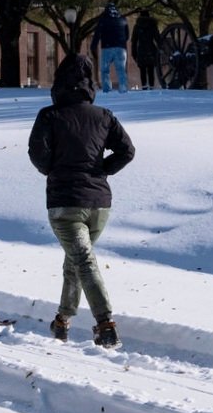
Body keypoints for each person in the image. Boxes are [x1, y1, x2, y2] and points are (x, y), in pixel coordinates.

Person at [27, 53, 135, 348]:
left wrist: (52, 170)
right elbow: (127, 151)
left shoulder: (49, 116)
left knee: (83, 262)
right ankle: (62, 321)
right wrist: (101, 170)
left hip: (65, 206)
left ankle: (105, 324)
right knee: (76, 261)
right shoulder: (104, 116)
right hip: (100, 205)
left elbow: (37, 153)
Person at [94, 1, 130, 92]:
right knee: (121, 69)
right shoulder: (123, 19)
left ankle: (107, 89)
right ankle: (123, 87)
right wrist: (121, 42)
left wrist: (93, 46)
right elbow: (127, 35)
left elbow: (97, 34)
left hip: (107, 47)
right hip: (121, 48)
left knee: (104, 70)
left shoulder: (103, 20)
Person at [130, 8, 163, 90]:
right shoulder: (153, 26)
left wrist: (133, 54)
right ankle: (151, 86)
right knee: (151, 69)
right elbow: (158, 39)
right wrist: (161, 50)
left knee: (142, 70)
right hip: (151, 49)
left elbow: (134, 41)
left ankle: (144, 86)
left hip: (141, 50)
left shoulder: (137, 26)